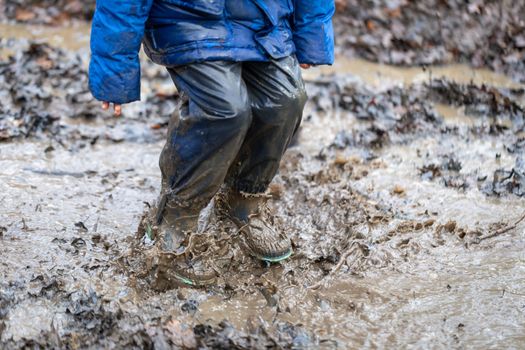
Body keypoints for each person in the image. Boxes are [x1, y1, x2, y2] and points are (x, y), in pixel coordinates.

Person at [89, 0, 335, 286]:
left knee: (284, 102)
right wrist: (114, 71)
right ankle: (174, 218)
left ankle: (243, 201)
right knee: (224, 110)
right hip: (187, 19)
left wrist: (311, 34)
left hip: (263, 19)